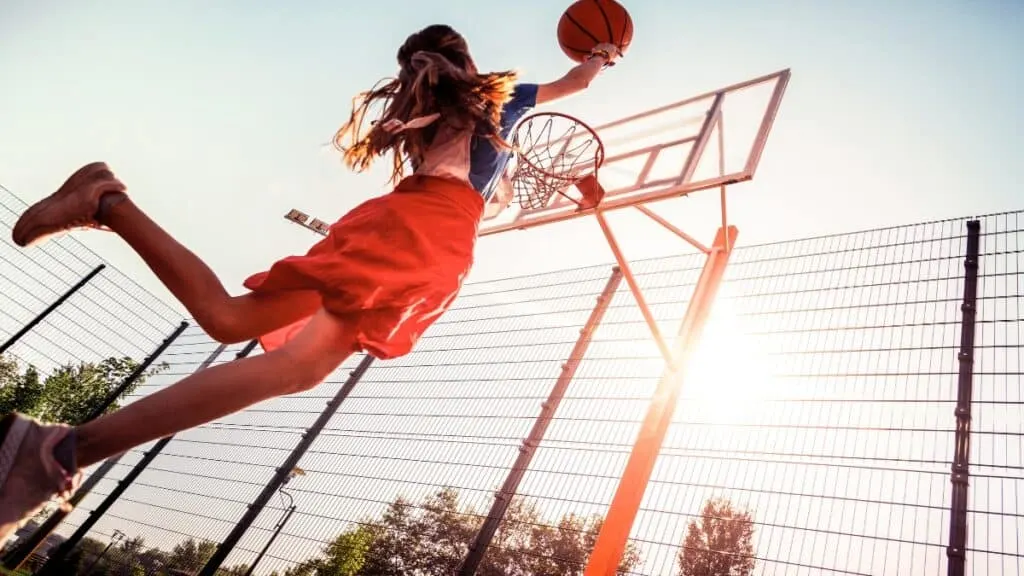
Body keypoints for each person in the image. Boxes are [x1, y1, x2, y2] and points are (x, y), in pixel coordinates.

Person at [0, 25, 619, 539]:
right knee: (256, 338)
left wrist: (573, 183)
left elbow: (487, 175)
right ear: (466, 57)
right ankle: (104, 201)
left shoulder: (460, 110)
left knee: (266, 347)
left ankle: (54, 453)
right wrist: (601, 54)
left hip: (424, 229)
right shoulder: (493, 100)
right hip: (427, 234)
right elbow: (576, 85)